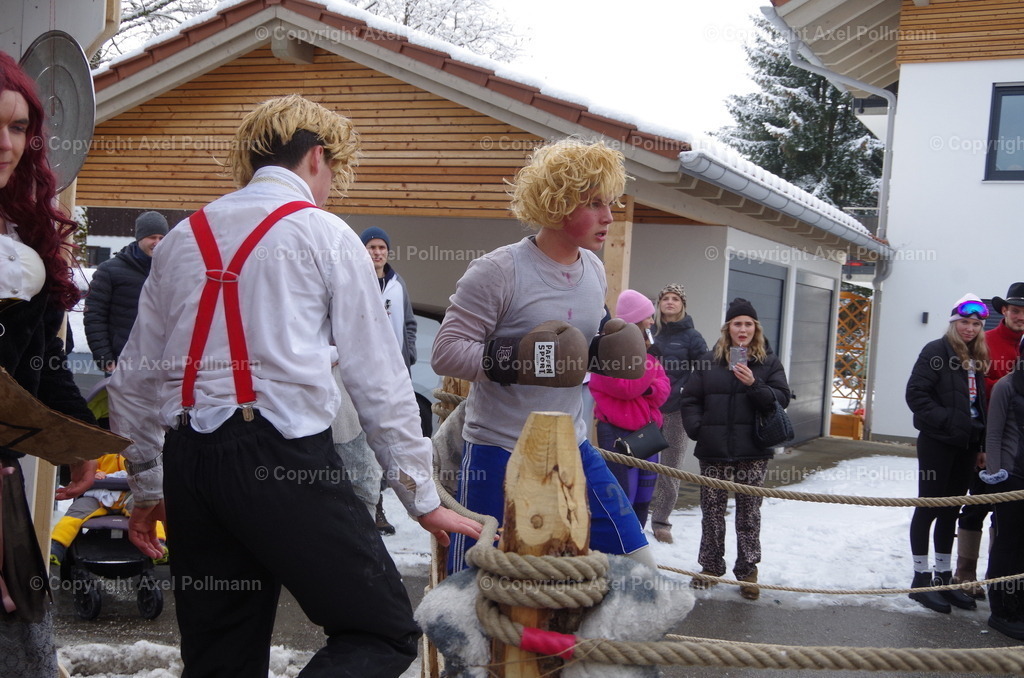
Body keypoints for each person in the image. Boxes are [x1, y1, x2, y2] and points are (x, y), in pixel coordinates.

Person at [107, 94, 482, 677]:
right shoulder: (326, 234)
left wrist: (148, 484)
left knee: (219, 658)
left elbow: (133, 376)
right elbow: (379, 378)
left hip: (189, 464)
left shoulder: (182, 238)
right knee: (380, 631)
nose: (331, 187)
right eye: (334, 172)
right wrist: (422, 497)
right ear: (317, 156)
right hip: (279, 459)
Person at [432, 137, 654, 574]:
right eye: (594, 203)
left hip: (575, 445)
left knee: (639, 567)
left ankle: (580, 645)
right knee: (471, 585)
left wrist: (600, 353)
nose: (609, 216)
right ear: (557, 204)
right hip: (498, 447)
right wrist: (517, 360)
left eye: (610, 202)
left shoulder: (592, 269)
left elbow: (570, 356)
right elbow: (445, 353)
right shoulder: (498, 271)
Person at [0, 51, 97, 676]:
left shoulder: (20, 228)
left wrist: (77, 435)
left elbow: (46, 356)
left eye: (17, 127)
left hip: (3, 478)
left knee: (22, 652)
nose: (7, 143)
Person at [680, 298, 790, 600]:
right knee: (712, 513)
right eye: (737, 323)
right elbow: (690, 399)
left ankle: (748, 572)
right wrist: (698, 429)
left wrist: (755, 384)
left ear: (756, 328)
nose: (743, 329)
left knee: (749, 514)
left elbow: (782, 398)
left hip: (753, 450)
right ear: (728, 328)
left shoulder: (768, 361)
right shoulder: (707, 360)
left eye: (748, 324)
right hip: (713, 449)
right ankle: (711, 567)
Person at [904, 293, 990, 614]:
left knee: (951, 510)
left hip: (966, 445)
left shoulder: (976, 354)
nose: (969, 328)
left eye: (976, 324)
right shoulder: (936, 351)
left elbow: (977, 405)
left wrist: (979, 445)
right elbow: (916, 394)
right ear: (954, 323)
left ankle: (943, 579)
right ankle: (921, 580)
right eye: (964, 322)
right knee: (928, 507)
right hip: (938, 442)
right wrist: (951, 422)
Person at [955, 282, 1024, 597]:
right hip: (985, 440)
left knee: (1007, 514)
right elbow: (974, 390)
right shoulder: (986, 342)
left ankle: (1000, 577)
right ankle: (965, 574)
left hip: (1016, 450)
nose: (1021, 316)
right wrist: (1005, 385)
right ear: (1005, 312)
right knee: (975, 506)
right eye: (1016, 310)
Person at [590, 289, 669, 528]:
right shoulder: (607, 352)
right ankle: (623, 548)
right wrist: (647, 365)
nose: (653, 322)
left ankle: (639, 543)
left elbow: (663, 390)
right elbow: (626, 388)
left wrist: (648, 386)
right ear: (636, 320)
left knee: (644, 497)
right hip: (617, 433)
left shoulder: (646, 352)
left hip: (646, 433)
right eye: (648, 316)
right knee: (624, 495)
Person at [360, 225, 417, 535]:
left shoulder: (398, 285)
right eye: (372, 247)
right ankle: (369, 507)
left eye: (382, 247)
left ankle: (380, 505)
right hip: (363, 374)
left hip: (393, 376)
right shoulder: (355, 282)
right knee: (363, 445)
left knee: (388, 441)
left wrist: (407, 358)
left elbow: (409, 324)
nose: (377, 252)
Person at [649, 283, 707, 544]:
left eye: (675, 299)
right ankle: (636, 516)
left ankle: (661, 522)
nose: (669, 302)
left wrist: (686, 391)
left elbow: (703, 369)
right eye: (665, 298)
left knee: (670, 469)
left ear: (683, 304)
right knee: (640, 464)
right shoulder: (648, 332)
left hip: (676, 412)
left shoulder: (692, 337)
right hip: (648, 410)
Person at [979, 335, 1024, 640]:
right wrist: (996, 476)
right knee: (1008, 543)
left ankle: (1019, 606)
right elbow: (993, 436)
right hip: (1012, 476)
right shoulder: (1007, 385)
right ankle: (1001, 609)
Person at [83, 210, 168, 373]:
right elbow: (94, 315)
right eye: (152, 237)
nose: (157, 242)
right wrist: (104, 357)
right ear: (139, 238)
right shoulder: (109, 270)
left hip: (161, 362)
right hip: (121, 361)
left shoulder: (171, 271)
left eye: (162, 238)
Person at [49, 453, 167, 568]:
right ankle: (57, 545)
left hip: (129, 495)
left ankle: (159, 544)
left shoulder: (134, 451)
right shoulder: (100, 450)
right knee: (75, 513)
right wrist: (96, 473)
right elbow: (88, 467)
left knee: (147, 513)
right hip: (98, 495)